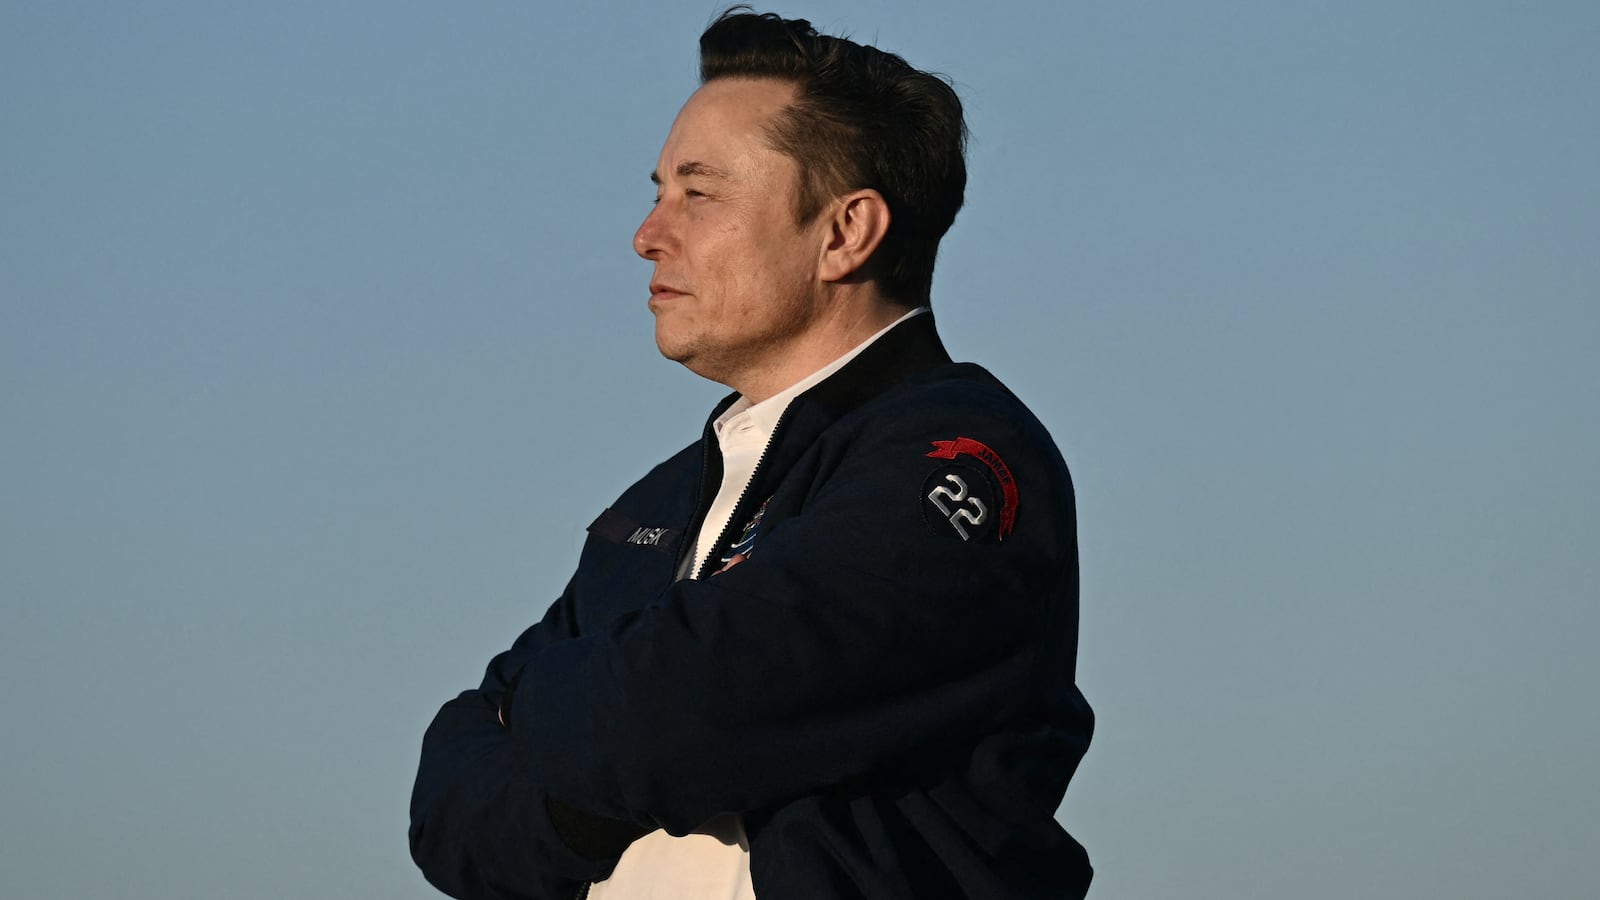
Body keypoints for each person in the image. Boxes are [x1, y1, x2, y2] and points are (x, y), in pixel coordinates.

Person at [409, 9, 1093, 899]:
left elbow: (688, 711)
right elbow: (448, 811)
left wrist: (543, 721)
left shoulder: (963, 457)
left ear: (846, 233)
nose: (649, 233)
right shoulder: (655, 505)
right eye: (656, 191)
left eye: (700, 193)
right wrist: (605, 748)